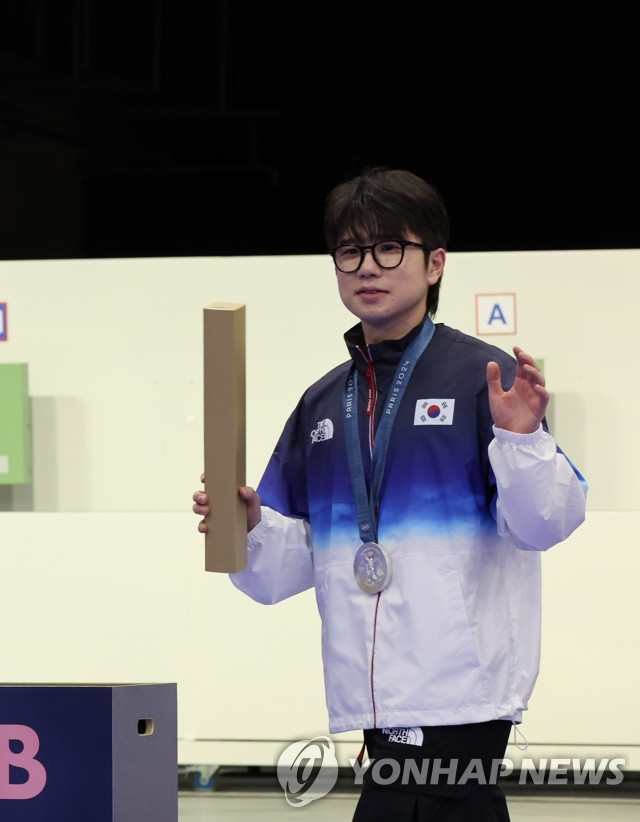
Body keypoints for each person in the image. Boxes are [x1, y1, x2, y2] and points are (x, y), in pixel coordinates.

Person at [191, 167, 587, 821]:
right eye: (350, 251)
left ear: (434, 263)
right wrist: (251, 525)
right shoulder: (323, 403)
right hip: (373, 709)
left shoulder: (485, 379)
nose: (367, 266)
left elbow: (545, 523)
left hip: (466, 700)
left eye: (388, 248)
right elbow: (284, 573)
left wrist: (522, 442)